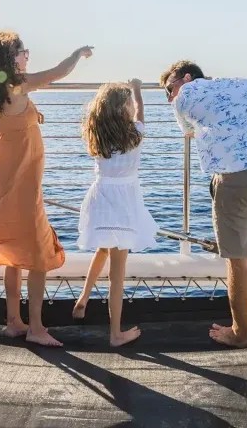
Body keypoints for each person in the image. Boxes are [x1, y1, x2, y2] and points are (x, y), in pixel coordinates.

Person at [0, 30, 93, 347]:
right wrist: (78, 53)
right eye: (22, 51)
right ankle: (35, 328)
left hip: (4, 169)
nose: (27, 54)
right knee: (35, 252)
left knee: (13, 248)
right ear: (9, 58)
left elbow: (13, 122)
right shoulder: (16, 85)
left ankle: (13, 321)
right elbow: (56, 74)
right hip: (20, 178)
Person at [160, 60, 247, 348]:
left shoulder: (183, 98)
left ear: (186, 78)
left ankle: (240, 334)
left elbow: (188, 131)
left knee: (238, 259)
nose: (169, 96)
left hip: (236, 179)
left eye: (169, 88)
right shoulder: (238, 83)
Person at [73, 79, 157, 347]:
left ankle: (82, 300)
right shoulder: (135, 134)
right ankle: (115, 334)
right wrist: (138, 90)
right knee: (117, 274)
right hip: (124, 204)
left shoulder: (96, 133)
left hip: (101, 198)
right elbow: (140, 112)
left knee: (102, 250)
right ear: (125, 109)